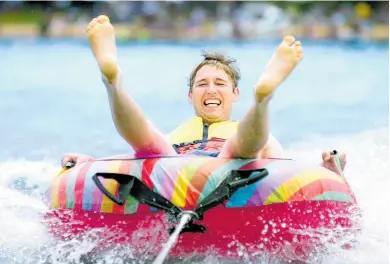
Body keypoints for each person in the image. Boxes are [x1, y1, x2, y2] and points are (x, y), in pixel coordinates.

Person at [61, 15, 346, 174]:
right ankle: (112, 80)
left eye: (220, 83)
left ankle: (264, 97)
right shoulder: (175, 136)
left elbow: (286, 173)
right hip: (174, 168)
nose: (210, 89)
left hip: (232, 163)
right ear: (190, 97)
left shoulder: (255, 135)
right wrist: (91, 164)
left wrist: (327, 169)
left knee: (238, 150)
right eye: (202, 84)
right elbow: (136, 158)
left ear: (235, 95)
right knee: (149, 145)